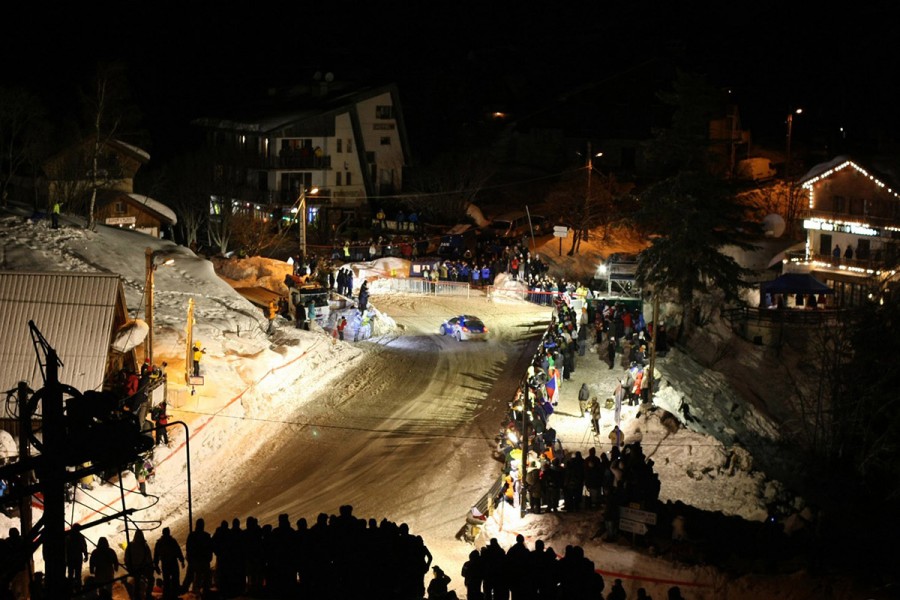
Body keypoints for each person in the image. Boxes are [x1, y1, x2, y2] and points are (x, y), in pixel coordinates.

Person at [182, 518, 213, 597]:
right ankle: (204, 592)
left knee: (190, 577)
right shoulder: (206, 536)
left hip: (195, 561)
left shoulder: (192, 535)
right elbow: (210, 548)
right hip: (203, 561)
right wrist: (208, 558)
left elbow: (188, 548)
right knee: (205, 578)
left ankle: (184, 592)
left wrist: (190, 558)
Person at [154, 527, 185, 600]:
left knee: (167, 581)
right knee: (175, 580)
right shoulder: (172, 541)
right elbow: (178, 551)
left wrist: (156, 566)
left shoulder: (159, 543)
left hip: (165, 564)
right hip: (173, 563)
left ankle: (167, 596)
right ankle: (175, 595)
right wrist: (182, 560)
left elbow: (156, 556)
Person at [124, 528, 154, 600]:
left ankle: (137, 597)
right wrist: (151, 567)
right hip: (142, 568)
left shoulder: (130, 545)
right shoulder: (144, 546)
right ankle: (147, 594)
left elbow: (126, 558)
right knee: (150, 579)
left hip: (135, 568)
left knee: (137, 583)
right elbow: (149, 558)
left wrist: (129, 567)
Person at [65, 523, 89, 593]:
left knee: (70, 574)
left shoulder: (68, 537)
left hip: (71, 557)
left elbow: (65, 548)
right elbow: (84, 546)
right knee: (78, 574)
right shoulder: (80, 536)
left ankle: (70, 589)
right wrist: (86, 555)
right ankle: (78, 589)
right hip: (78, 557)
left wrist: (66, 559)